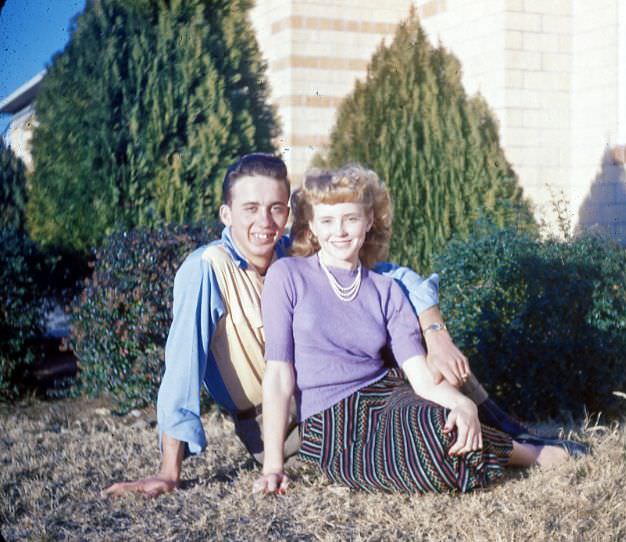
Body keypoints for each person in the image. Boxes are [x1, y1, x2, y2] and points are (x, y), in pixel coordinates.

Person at [104, 153, 542, 498]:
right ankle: (514, 445)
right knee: (430, 433)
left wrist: (435, 331)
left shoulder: (290, 258)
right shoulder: (207, 269)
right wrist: (169, 471)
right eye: (251, 209)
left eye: (276, 209)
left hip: (362, 396)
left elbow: (395, 279)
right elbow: (181, 366)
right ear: (226, 213)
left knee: (431, 363)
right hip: (285, 424)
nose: (265, 222)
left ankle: (514, 437)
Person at [254, 166, 570, 495]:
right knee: (426, 458)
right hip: (329, 421)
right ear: (313, 227)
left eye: (350, 218)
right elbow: (278, 373)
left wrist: (463, 405)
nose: (340, 231)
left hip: (388, 396)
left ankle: (526, 453)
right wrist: (273, 467)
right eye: (328, 220)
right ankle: (523, 453)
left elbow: (419, 376)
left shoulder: (387, 290)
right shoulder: (288, 276)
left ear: (369, 221)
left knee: (444, 425)